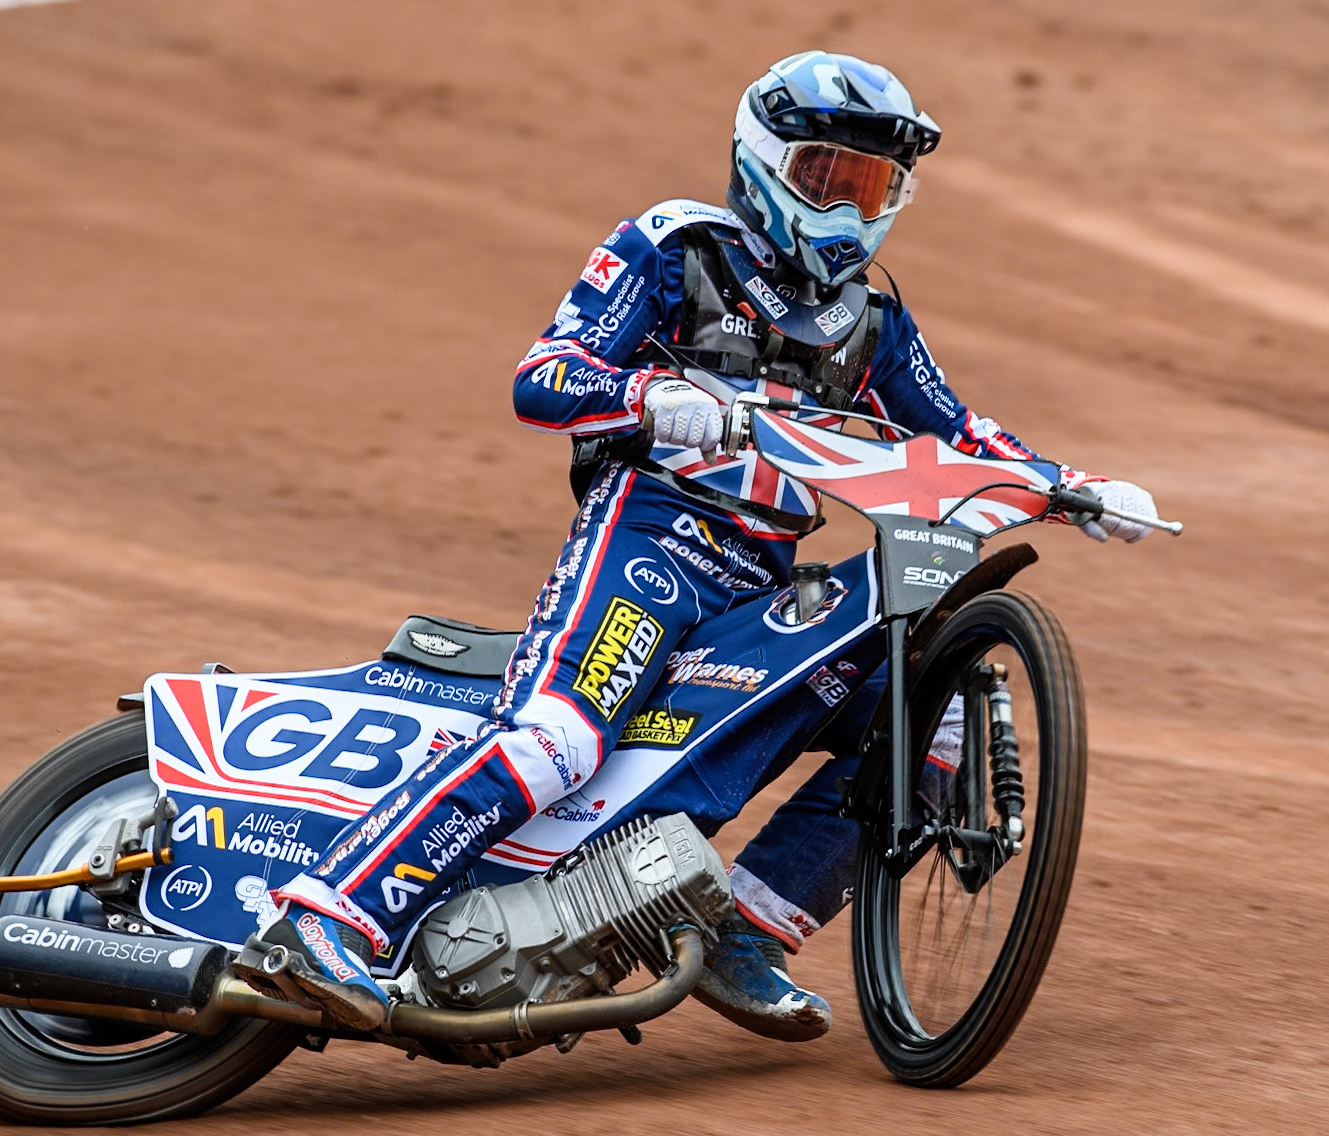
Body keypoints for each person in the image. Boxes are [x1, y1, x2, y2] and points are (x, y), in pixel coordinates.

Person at [238, 51, 1159, 1039]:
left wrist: (1069, 486)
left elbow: (956, 431)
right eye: (826, 178)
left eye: (872, 186)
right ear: (762, 160)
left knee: (921, 711)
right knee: (559, 738)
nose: (848, 210)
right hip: (648, 540)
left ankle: (750, 930)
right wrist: (650, 397)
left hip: (759, 577)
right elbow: (542, 376)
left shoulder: (872, 320)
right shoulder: (676, 246)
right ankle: (321, 919)